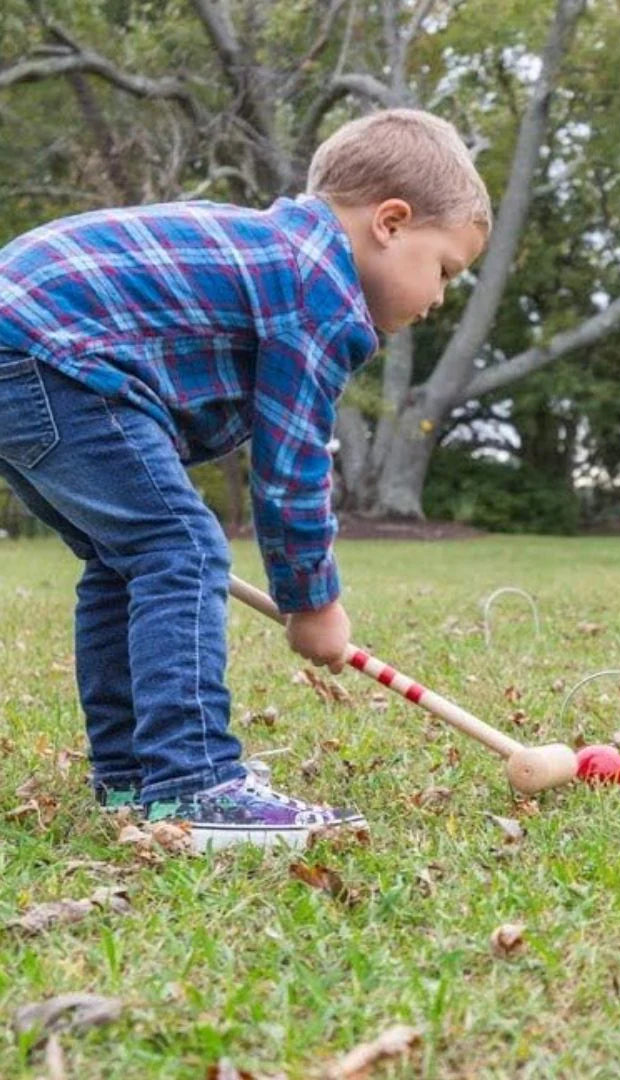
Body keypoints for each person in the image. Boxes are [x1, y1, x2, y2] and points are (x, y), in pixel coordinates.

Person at [0, 109, 491, 851]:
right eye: (445, 269)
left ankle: (133, 777)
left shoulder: (274, 251)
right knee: (183, 548)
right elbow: (289, 469)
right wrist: (312, 601)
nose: (440, 297)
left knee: (123, 559)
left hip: (26, 349)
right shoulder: (317, 287)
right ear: (389, 223)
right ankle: (195, 783)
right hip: (53, 352)